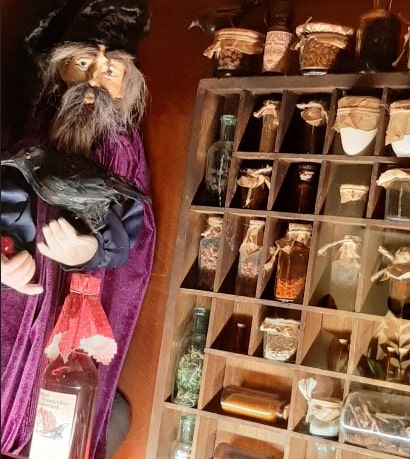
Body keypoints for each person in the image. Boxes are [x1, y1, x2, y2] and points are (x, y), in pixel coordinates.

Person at [1, 1, 155, 457]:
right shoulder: (28, 129)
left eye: (110, 71)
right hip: (18, 294)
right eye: (84, 63)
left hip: (82, 296)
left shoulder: (123, 149)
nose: (93, 82)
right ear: (60, 67)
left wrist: (93, 249)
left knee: (67, 395)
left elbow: (136, 234)